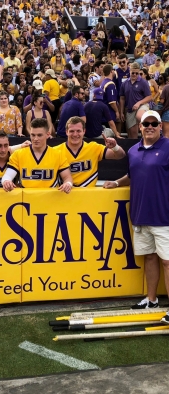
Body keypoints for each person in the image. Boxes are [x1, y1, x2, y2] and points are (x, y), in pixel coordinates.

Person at [103, 110, 169, 324]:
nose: (149, 126)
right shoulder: (134, 150)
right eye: (145, 123)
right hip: (140, 215)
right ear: (139, 126)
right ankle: (151, 299)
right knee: (149, 257)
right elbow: (133, 176)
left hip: (164, 217)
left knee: (167, 262)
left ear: (161, 126)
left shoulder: (168, 147)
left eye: (153, 123)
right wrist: (116, 182)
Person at [2, 118, 73, 192]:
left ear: (48, 134)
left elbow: (67, 177)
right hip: (26, 199)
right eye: (33, 135)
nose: (35, 139)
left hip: (51, 199)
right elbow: (8, 175)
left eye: (39, 135)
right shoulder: (18, 154)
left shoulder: (58, 154)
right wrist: (6, 181)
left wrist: (68, 184)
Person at [56, 116, 125, 187]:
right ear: (66, 132)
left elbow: (120, 155)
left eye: (78, 131)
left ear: (84, 131)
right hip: (64, 194)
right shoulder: (56, 151)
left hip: (89, 195)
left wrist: (115, 147)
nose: (75, 134)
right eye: (71, 131)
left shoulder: (93, 147)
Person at [120, 62, 152, 139]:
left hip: (142, 105)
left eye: (137, 73)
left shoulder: (143, 82)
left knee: (139, 116)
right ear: (129, 71)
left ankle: (149, 129)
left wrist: (139, 103)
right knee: (132, 134)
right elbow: (122, 98)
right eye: (133, 73)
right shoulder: (124, 83)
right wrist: (121, 112)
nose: (134, 74)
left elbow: (150, 97)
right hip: (130, 109)